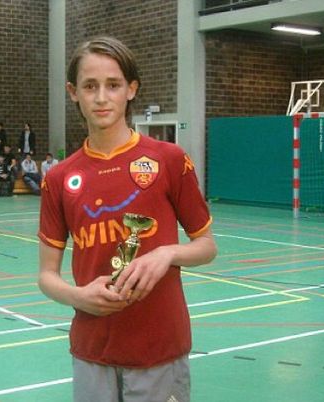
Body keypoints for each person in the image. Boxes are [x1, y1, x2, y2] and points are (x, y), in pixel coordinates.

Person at [37, 36, 217, 402]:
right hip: (92, 349)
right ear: (73, 93)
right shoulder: (58, 178)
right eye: (90, 86)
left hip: (159, 347)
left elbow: (207, 246)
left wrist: (167, 253)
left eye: (113, 85)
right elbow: (46, 276)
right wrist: (78, 296)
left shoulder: (169, 160)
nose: (101, 97)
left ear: (131, 89)